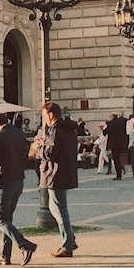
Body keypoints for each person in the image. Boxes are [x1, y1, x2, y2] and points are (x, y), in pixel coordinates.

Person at [0, 112, 36, 265]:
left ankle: (24, 245)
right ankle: (5, 255)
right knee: (8, 219)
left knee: (0, 220)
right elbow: (26, 152)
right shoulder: (20, 134)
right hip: (18, 179)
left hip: (3, 180)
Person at [37, 100, 78, 257]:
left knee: (59, 209)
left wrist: (39, 148)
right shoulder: (68, 128)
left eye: (44, 116)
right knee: (58, 208)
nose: (44, 119)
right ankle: (70, 239)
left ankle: (67, 245)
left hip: (55, 173)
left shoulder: (56, 130)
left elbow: (51, 153)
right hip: (66, 171)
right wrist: (45, 143)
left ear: (51, 114)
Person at [104, 112, 127, 180]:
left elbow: (105, 132)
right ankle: (120, 170)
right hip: (122, 143)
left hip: (114, 144)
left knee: (116, 159)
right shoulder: (121, 122)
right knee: (117, 159)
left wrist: (108, 122)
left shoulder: (111, 123)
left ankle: (118, 175)